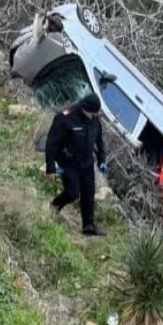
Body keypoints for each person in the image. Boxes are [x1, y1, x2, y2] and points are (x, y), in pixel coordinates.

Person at [45, 94, 107, 236]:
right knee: (72, 193)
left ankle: (88, 226)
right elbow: (52, 144)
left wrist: (102, 159)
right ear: (85, 109)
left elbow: (99, 139)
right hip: (69, 162)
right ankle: (55, 206)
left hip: (87, 162)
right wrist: (50, 167)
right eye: (93, 113)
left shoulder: (95, 118)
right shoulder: (66, 118)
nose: (94, 116)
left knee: (89, 194)